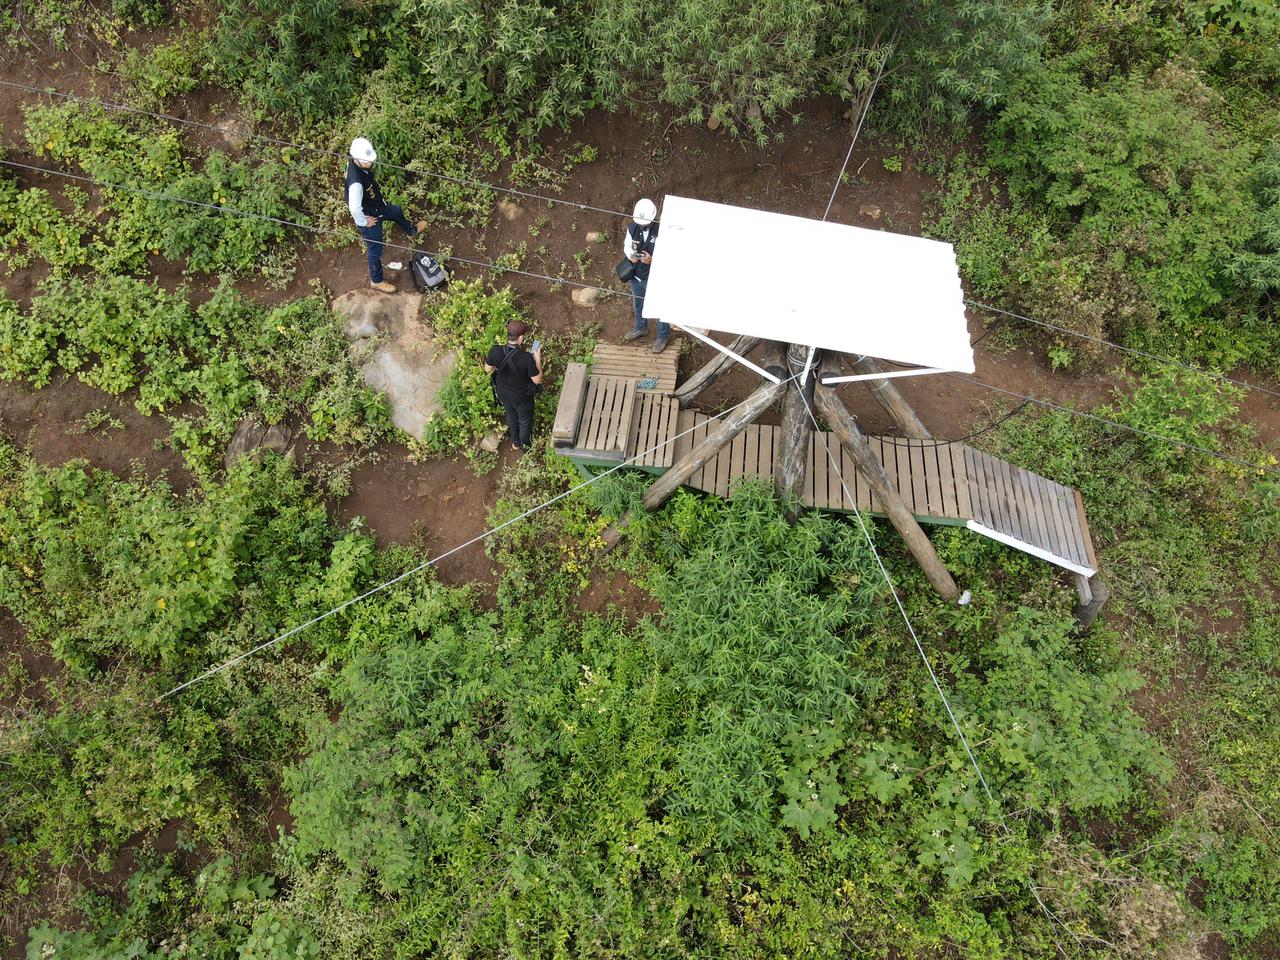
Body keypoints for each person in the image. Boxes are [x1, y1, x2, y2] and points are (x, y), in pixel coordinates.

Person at [345, 137, 427, 293]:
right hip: (369, 216)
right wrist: (364, 222)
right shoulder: (355, 182)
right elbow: (354, 208)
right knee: (375, 250)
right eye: (367, 161)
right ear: (357, 158)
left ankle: (411, 231)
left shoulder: (356, 161)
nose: (370, 163)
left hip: (376, 205)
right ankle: (376, 280)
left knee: (396, 211)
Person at [484, 320, 543, 453]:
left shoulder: (495, 350)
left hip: (503, 394)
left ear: (508, 335)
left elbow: (488, 369)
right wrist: (537, 358)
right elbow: (537, 380)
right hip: (522, 398)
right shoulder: (527, 358)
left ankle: (515, 442)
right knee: (524, 422)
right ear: (521, 338)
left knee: (510, 416)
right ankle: (525, 447)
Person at [621, 198, 668, 353]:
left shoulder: (663, 230)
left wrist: (653, 259)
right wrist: (630, 255)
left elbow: (670, 253)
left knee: (660, 307)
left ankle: (662, 337)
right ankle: (640, 327)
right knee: (639, 303)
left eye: (645, 222)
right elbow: (627, 246)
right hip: (637, 275)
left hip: (656, 276)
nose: (642, 225)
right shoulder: (632, 227)